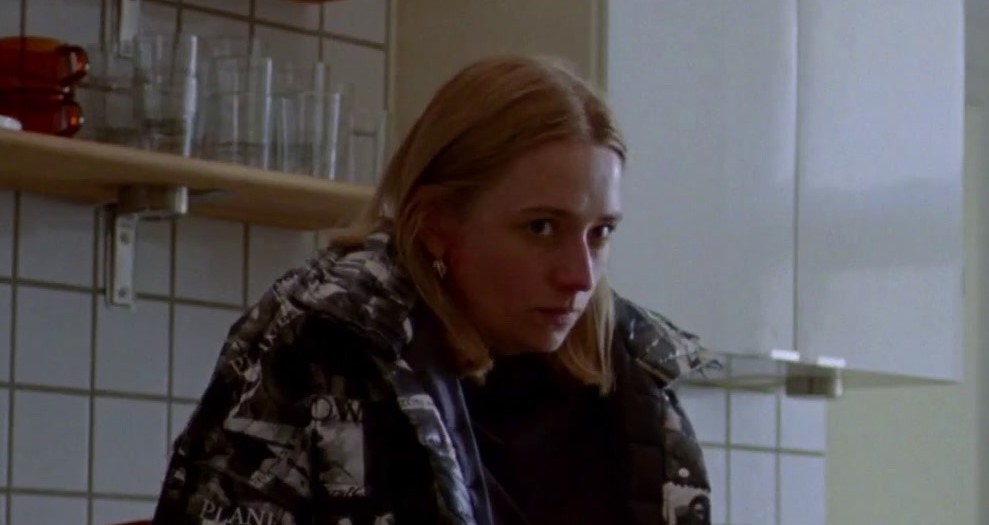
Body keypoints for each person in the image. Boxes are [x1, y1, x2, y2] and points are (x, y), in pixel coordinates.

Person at [151, 55, 714, 525]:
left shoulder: (634, 378)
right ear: (438, 223)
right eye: (541, 228)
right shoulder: (326, 339)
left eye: (600, 233)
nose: (581, 276)